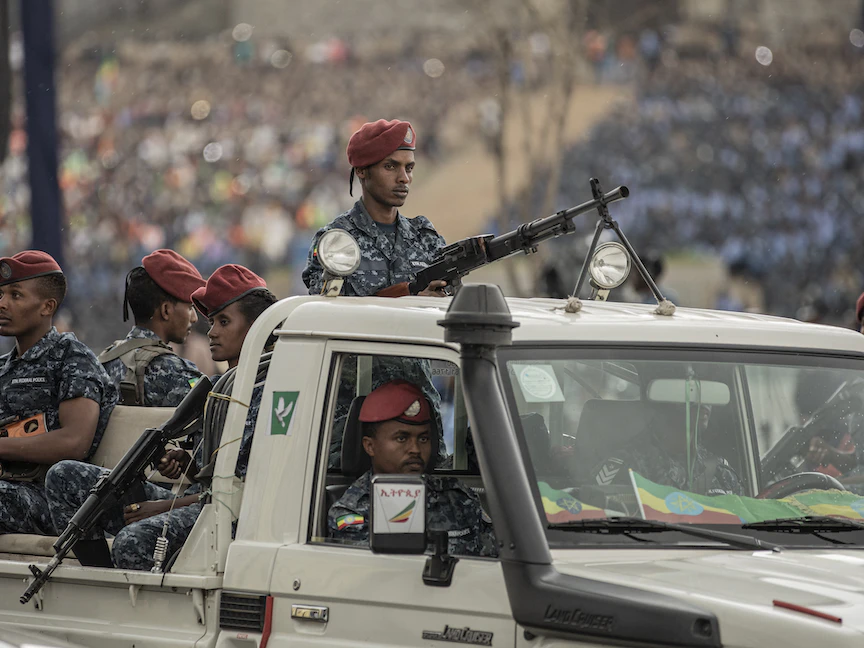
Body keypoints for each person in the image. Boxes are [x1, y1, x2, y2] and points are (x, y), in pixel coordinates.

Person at [46, 265, 278, 570]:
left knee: (132, 541)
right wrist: (190, 464)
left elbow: (244, 495)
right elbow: (214, 474)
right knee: (63, 476)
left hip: (229, 516)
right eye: (212, 321)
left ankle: (118, 597)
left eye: (223, 322)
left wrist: (161, 507)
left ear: (257, 327)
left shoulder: (269, 391)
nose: (211, 332)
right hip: (197, 503)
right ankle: (104, 582)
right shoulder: (225, 386)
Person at [0, 251, 117, 536]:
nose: (2, 304)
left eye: (15, 295)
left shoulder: (71, 358)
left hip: (52, 499)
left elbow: (75, 441)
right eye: (0, 294)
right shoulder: (4, 367)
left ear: (47, 307)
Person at [328, 380, 497, 557]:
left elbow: (495, 561)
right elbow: (377, 575)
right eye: (402, 438)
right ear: (370, 446)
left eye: (423, 439)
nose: (415, 449)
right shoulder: (352, 512)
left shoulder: (457, 497)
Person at [301, 119, 448, 298]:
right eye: (390, 167)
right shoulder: (335, 241)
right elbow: (327, 309)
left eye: (408, 168)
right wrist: (409, 297)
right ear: (362, 171)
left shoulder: (425, 237)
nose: (404, 178)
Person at [98, 249, 205, 406]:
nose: (194, 318)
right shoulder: (178, 373)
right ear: (166, 310)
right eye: (189, 308)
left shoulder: (105, 361)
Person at [595, 404, 742, 496]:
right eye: (690, 388)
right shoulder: (627, 463)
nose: (703, 400)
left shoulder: (720, 470)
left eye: (707, 390)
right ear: (664, 402)